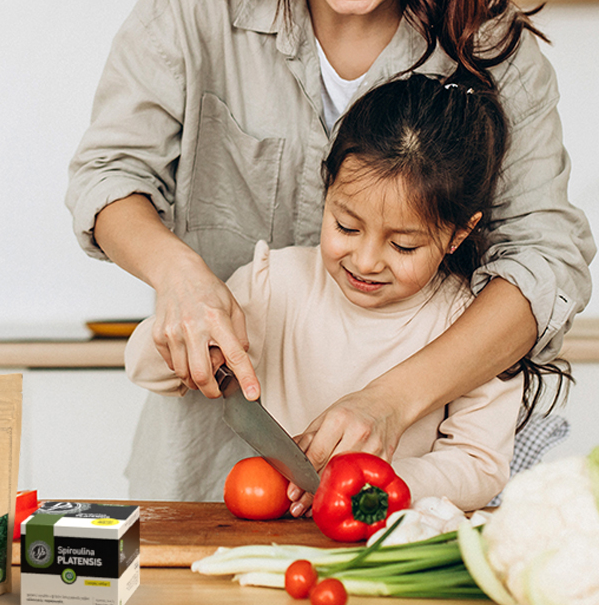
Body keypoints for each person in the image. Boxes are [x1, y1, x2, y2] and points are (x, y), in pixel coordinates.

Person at [66, 0, 594, 509]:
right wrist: (177, 276)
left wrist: (393, 399)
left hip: (396, 488)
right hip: (206, 472)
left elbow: (546, 259)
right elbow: (109, 174)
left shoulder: (487, 48)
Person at [126, 73, 564, 511]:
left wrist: (373, 484)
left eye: (403, 245)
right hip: (270, 536)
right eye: (347, 227)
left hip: (390, 535)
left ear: (458, 235)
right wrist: (184, 336)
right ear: (328, 189)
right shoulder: (273, 282)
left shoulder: (477, 326)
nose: (367, 261)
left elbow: (479, 466)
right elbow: (143, 368)